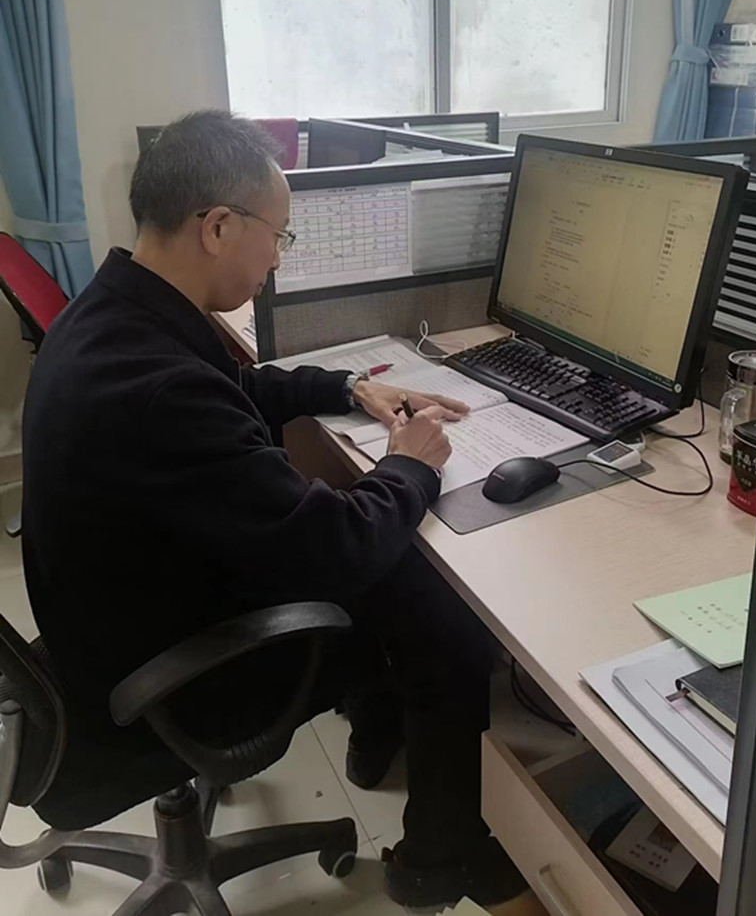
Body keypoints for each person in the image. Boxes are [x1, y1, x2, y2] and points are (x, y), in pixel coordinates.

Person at [21, 110, 525, 909]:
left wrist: (349, 389)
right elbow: (339, 548)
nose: (279, 257)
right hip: (168, 678)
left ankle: (376, 741)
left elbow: (231, 391)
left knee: (395, 573)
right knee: (438, 617)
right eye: (278, 235)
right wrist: (410, 464)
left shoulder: (114, 315)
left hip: (109, 625)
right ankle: (439, 859)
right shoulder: (158, 388)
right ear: (219, 227)